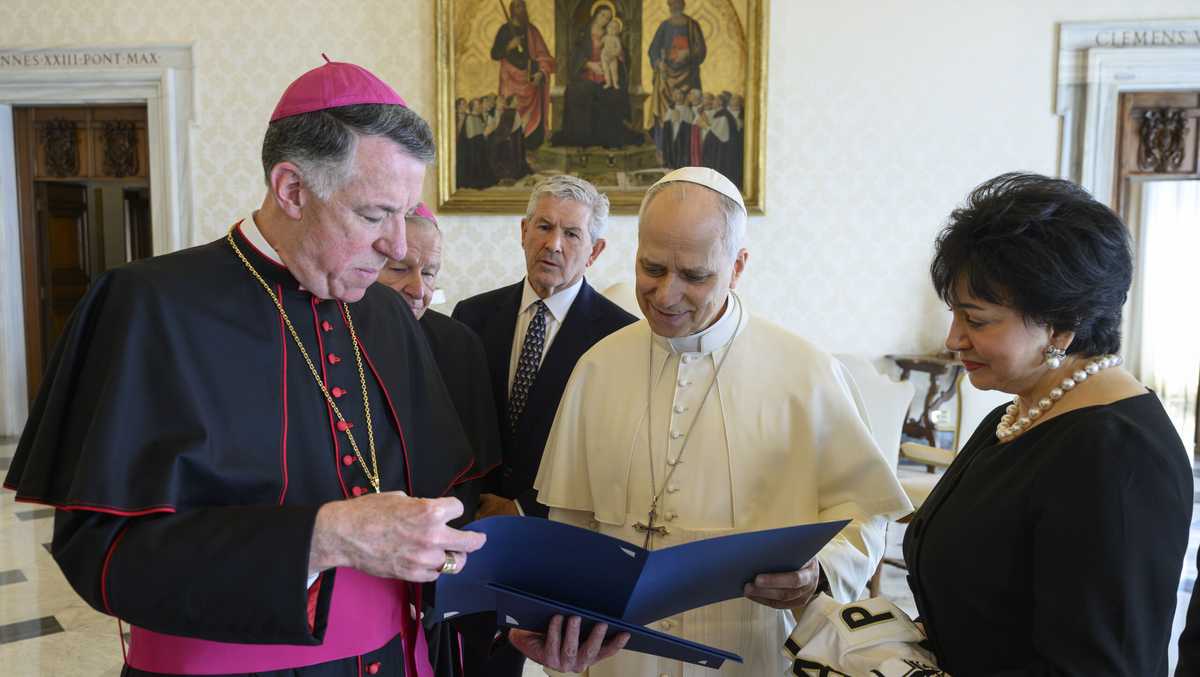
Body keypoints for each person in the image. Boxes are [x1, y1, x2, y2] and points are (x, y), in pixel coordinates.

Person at [1, 58, 623, 677]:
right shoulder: (149, 307)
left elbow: (448, 509)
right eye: (375, 214)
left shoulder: (384, 317)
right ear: (292, 189)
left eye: (406, 214)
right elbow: (99, 553)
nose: (399, 247)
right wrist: (322, 537)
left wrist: (524, 619)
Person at [533, 167, 912, 676]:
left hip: (749, 648)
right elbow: (572, 523)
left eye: (694, 275)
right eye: (652, 268)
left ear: (738, 266)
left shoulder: (807, 372)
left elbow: (865, 513)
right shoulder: (597, 367)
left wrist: (819, 573)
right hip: (621, 654)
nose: (666, 295)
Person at [903, 172, 1192, 675]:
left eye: (977, 319)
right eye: (955, 315)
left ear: (1062, 323)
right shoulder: (1013, 416)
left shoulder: (1114, 452)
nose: (954, 339)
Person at [451, 175, 636, 676]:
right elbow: (457, 423)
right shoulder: (472, 315)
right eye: (544, 226)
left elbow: (611, 452)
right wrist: (478, 501)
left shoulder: (620, 336)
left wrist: (522, 508)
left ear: (594, 250)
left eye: (571, 234)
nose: (553, 243)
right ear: (522, 230)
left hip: (553, 537)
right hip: (471, 532)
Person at [376, 204, 500, 530]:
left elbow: (473, 470)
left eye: (429, 273)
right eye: (400, 269)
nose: (418, 290)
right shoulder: (329, 338)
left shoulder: (460, 344)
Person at [552, 5, 639, 149]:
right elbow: (574, 56)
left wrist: (618, 55)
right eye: (602, 15)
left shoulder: (611, 33)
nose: (605, 19)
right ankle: (582, 138)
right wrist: (589, 64)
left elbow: (623, 55)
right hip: (586, 73)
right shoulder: (583, 33)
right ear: (595, 14)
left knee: (612, 93)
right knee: (576, 91)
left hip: (607, 74)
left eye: (608, 17)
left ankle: (607, 138)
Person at [490, 0, 555, 149]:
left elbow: (544, 56)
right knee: (511, 114)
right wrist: (509, 46)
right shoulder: (505, 30)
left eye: (523, 6)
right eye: (518, 6)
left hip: (530, 82)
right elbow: (494, 53)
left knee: (532, 139)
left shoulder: (532, 31)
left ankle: (530, 144)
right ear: (512, 10)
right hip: (511, 80)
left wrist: (541, 73)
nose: (522, 9)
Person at [648, 0, 706, 143]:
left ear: (683, 5)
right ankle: (663, 147)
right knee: (664, 113)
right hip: (666, 75)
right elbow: (653, 49)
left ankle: (688, 148)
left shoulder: (692, 25)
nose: (675, 6)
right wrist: (658, 63)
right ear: (669, 6)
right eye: (672, 4)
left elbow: (701, 50)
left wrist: (688, 53)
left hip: (688, 74)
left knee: (688, 111)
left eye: (677, 3)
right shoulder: (664, 26)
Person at [600, 17, 623, 90]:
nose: (612, 29)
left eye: (615, 28)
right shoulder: (605, 37)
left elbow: (619, 48)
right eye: (610, 27)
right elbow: (600, 44)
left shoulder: (616, 39)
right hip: (604, 56)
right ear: (607, 28)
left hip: (613, 57)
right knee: (606, 70)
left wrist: (614, 54)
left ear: (618, 30)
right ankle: (608, 83)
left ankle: (615, 83)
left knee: (614, 71)